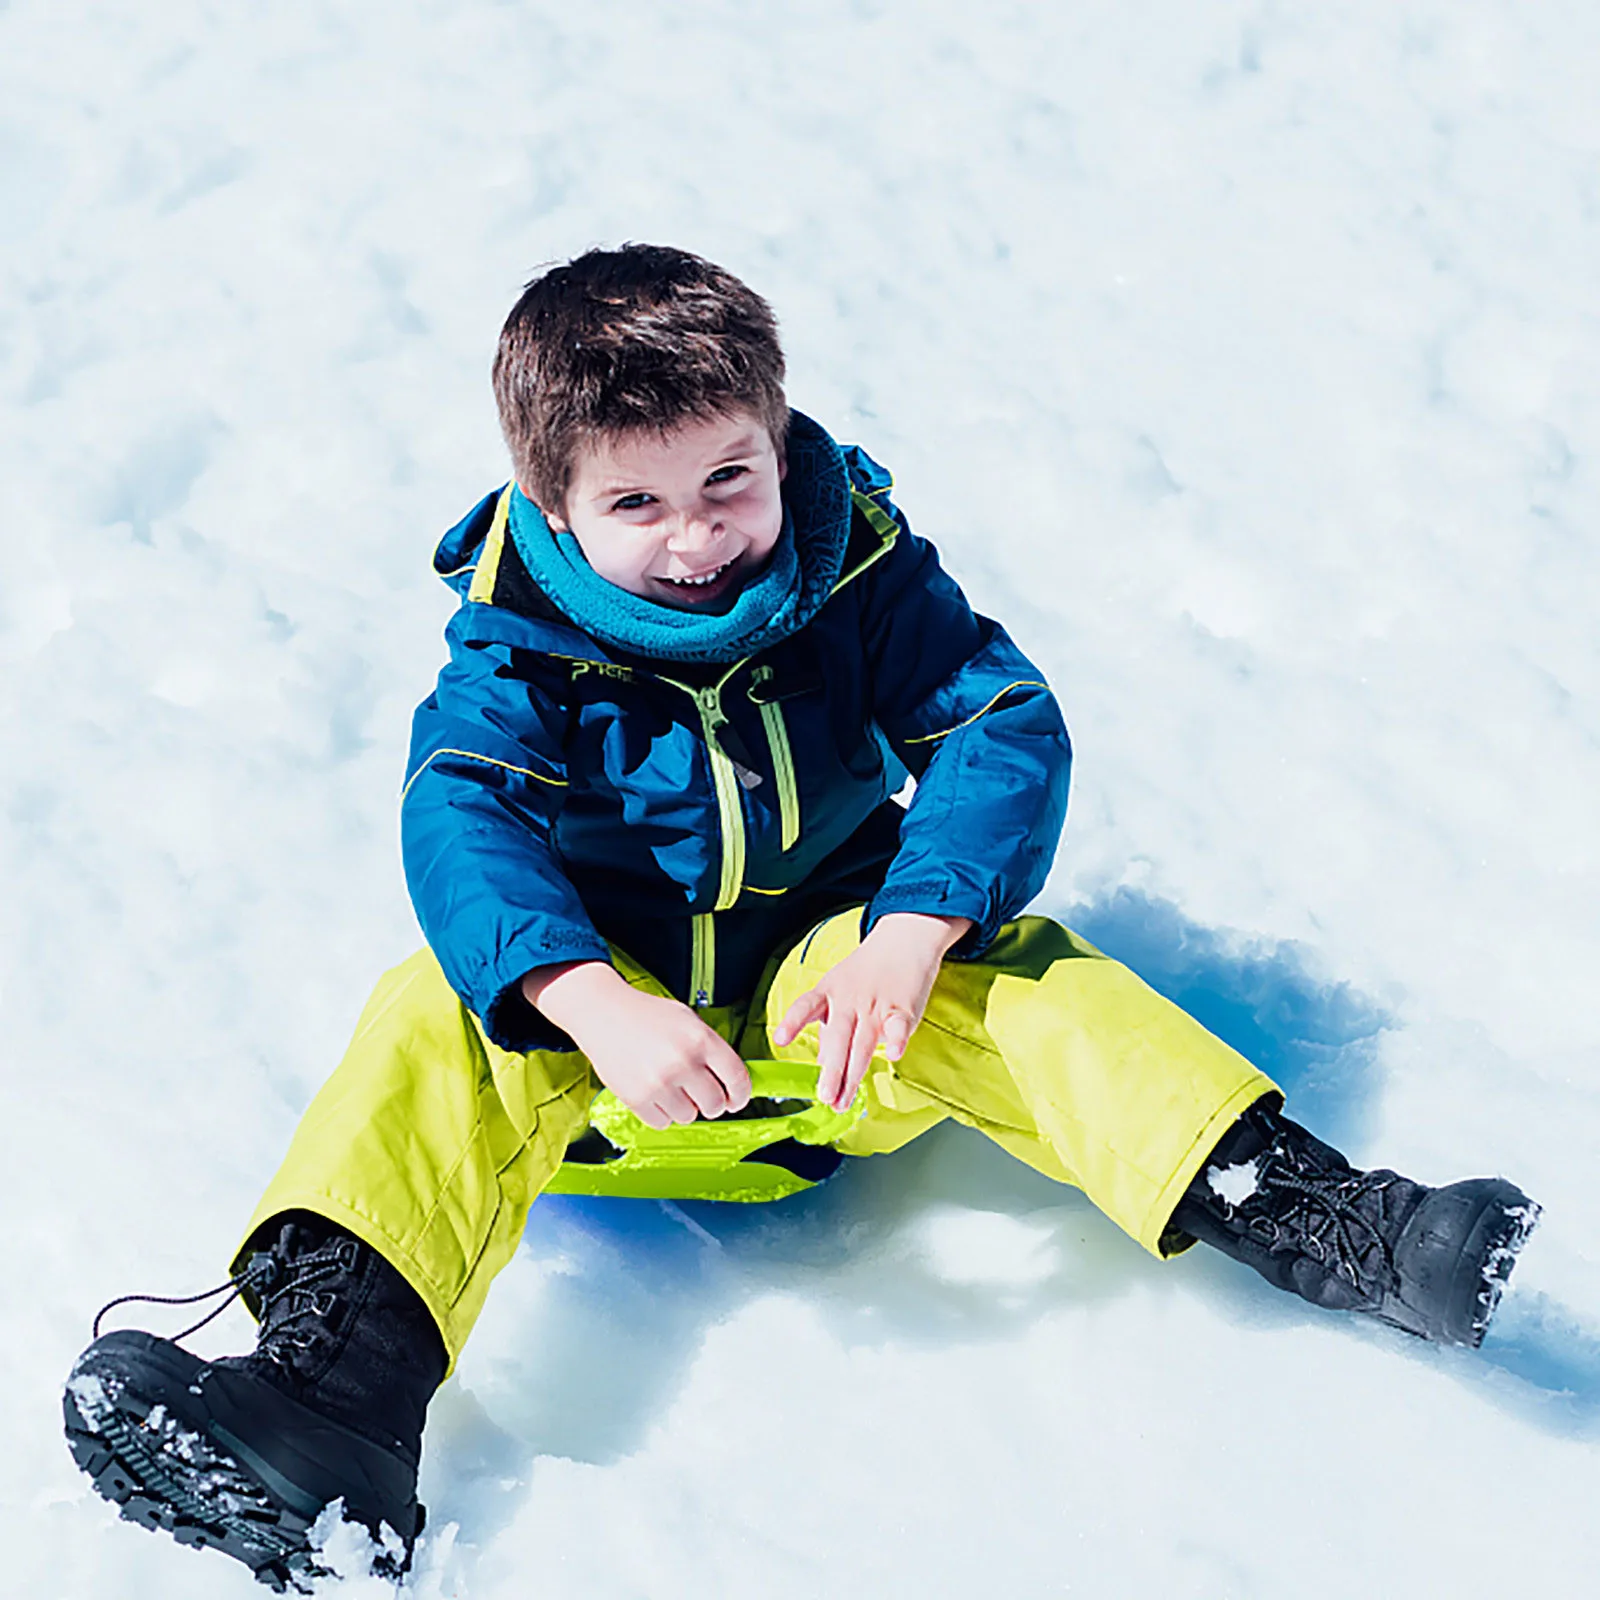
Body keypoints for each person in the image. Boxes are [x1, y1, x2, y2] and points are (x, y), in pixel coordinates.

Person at [63, 245, 1539, 1591]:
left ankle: (1327, 1219)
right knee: (432, 1015)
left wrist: (912, 930)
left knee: (1022, 978)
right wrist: (587, 997)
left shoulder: (861, 576)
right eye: (635, 504)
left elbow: (999, 723)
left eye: (727, 482)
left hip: (834, 1040)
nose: (696, 538)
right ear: (552, 501)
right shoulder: (517, 646)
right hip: (609, 1084)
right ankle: (333, 1410)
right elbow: (463, 815)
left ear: (778, 445)